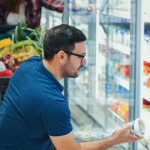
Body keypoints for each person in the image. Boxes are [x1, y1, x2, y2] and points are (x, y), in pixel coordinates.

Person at [0, 24, 142, 150]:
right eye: (81, 56)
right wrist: (115, 139)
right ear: (61, 56)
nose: (84, 62)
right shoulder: (53, 103)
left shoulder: (29, 65)